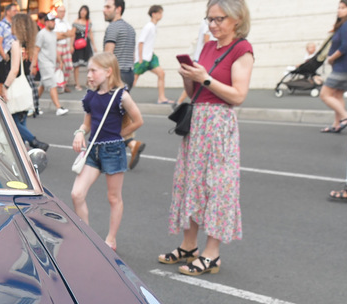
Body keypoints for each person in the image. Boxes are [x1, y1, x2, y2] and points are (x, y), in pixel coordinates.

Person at [158, 0, 253, 276]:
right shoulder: (209, 47)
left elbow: (238, 96)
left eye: (219, 19)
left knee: (218, 187)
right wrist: (189, 77)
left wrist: (206, 78)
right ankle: (189, 246)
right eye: (209, 19)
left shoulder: (242, 49)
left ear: (236, 19)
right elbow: (194, 93)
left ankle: (212, 254)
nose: (212, 24)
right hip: (198, 122)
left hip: (219, 124)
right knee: (191, 183)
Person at [70, 52, 143, 251]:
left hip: (113, 151)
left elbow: (138, 120)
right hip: (93, 150)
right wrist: (80, 133)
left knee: (113, 198)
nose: (89, 75)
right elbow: (87, 124)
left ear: (108, 71)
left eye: (93, 71)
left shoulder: (121, 96)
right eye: (88, 71)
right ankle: (87, 236)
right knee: (77, 194)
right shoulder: (90, 96)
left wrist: (119, 135)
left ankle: (111, 240)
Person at [103, 0, 143, 169]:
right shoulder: (130, 29)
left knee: (107, 114)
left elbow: (108, 55)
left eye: (108, 7)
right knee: (121, 113)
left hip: (115, 75)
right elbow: (132, 55)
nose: (104, 10)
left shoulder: (113, 28)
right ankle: (132, 145)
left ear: (118, 9)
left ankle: (120, 148)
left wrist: (101, 77)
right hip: (128, 74)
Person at [1, 13, 49, 151]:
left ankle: (34, 141)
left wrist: (5, 86)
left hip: (16, 85)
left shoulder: (15, 44)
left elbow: (15, 69)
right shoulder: (30, 45)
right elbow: (30, 67)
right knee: (21, 120)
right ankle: (22, 151)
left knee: (12, 122)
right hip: (27, 85)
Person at [133, 5, 171, 103]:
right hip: (143, 58)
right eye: (160, 13)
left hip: (150, 57)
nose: (161, 15)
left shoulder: (154, 26)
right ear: (154, 14)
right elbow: (140, 42)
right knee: (133, 79)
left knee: (161, 73)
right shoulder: (148, 26)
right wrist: (139, 58)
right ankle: (120, 99)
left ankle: (161, 98)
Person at [320, 1, 347, 133]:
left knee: (324, 94)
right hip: (343, 67)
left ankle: (346, 117)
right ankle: (337, 124)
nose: (339, 10)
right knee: (337, 94)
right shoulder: (342, 25)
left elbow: (345, 46)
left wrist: (331, 58)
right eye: (339, 7)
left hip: (342, 67)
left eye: (343, 8)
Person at [36, 13, 69, 116]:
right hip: (44, 63)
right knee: (53, 84)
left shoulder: (53, 34)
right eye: (51, 21)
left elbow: (54, 49)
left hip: (51, 63)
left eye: (54, 21)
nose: (53, 23)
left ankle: (33, 106)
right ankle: (58, 108)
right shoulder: (41, 34)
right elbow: (36, 50)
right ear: (46, 22)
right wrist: (33, 65)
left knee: (42, 85)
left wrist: (60, 61)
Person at [176, 17, 211, 105]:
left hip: (200, 56)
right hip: (203, 57)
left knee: (194, 81)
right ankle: (180, 102)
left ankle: (179, 102)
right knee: (196, 81)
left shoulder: (205, 22)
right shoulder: (208, 23)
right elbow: (207, 40)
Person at [0, 3, 19, 95]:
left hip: (14, 57)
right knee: (1, 82)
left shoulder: (15, 25)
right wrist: (4, 57)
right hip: (4, 59)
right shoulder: (1, 25)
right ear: (8, 12)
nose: (16, 12)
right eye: (14, 10)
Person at [72, 6, 94, 91]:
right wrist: (71, 45)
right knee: (76, 65)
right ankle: (77, 84)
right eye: (81, 10)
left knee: (89, 64)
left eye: (84, 11)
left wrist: (94, 45)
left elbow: (90, 34)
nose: (83, 12)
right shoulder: (76, 21)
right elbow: (72, 34)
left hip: (86, 44)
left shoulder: (89, 21)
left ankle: (88, 82)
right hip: (77, 44)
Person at [54, 5, 74, 92]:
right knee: (58, 66)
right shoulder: (54, 22)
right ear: (57, 12)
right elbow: (56, 36)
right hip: (57, 45)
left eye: (64, 11)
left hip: (65, 45)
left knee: (69, 66)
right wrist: (66, 34)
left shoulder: (66, 22)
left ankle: (63, 84)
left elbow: (71, 33)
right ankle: (57, 85)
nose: (63, 13)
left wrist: (62, 34)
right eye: (61, 11)